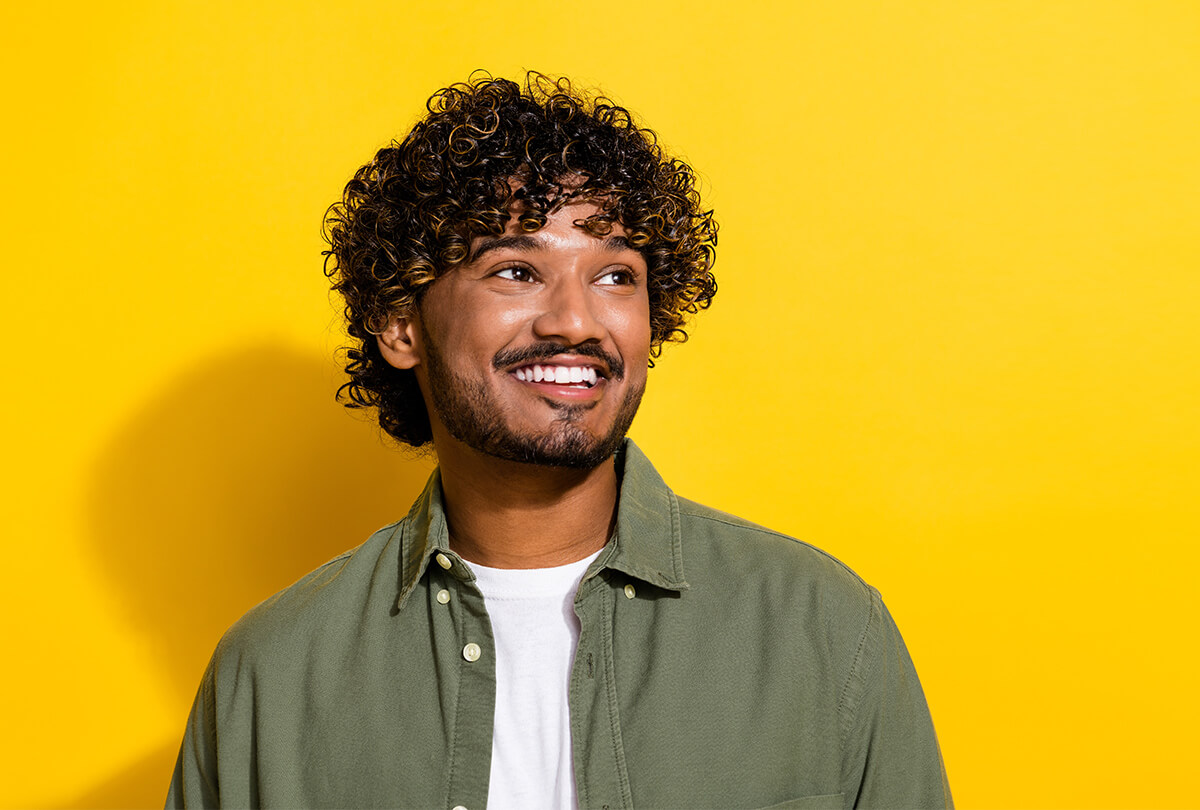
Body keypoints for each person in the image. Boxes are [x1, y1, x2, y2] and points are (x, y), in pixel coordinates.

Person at [167, 73, 952, 809]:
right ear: (401, 325)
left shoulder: (822, 629)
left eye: (616, 276)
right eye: (515, 271)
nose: (576, 321)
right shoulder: (268, 677)